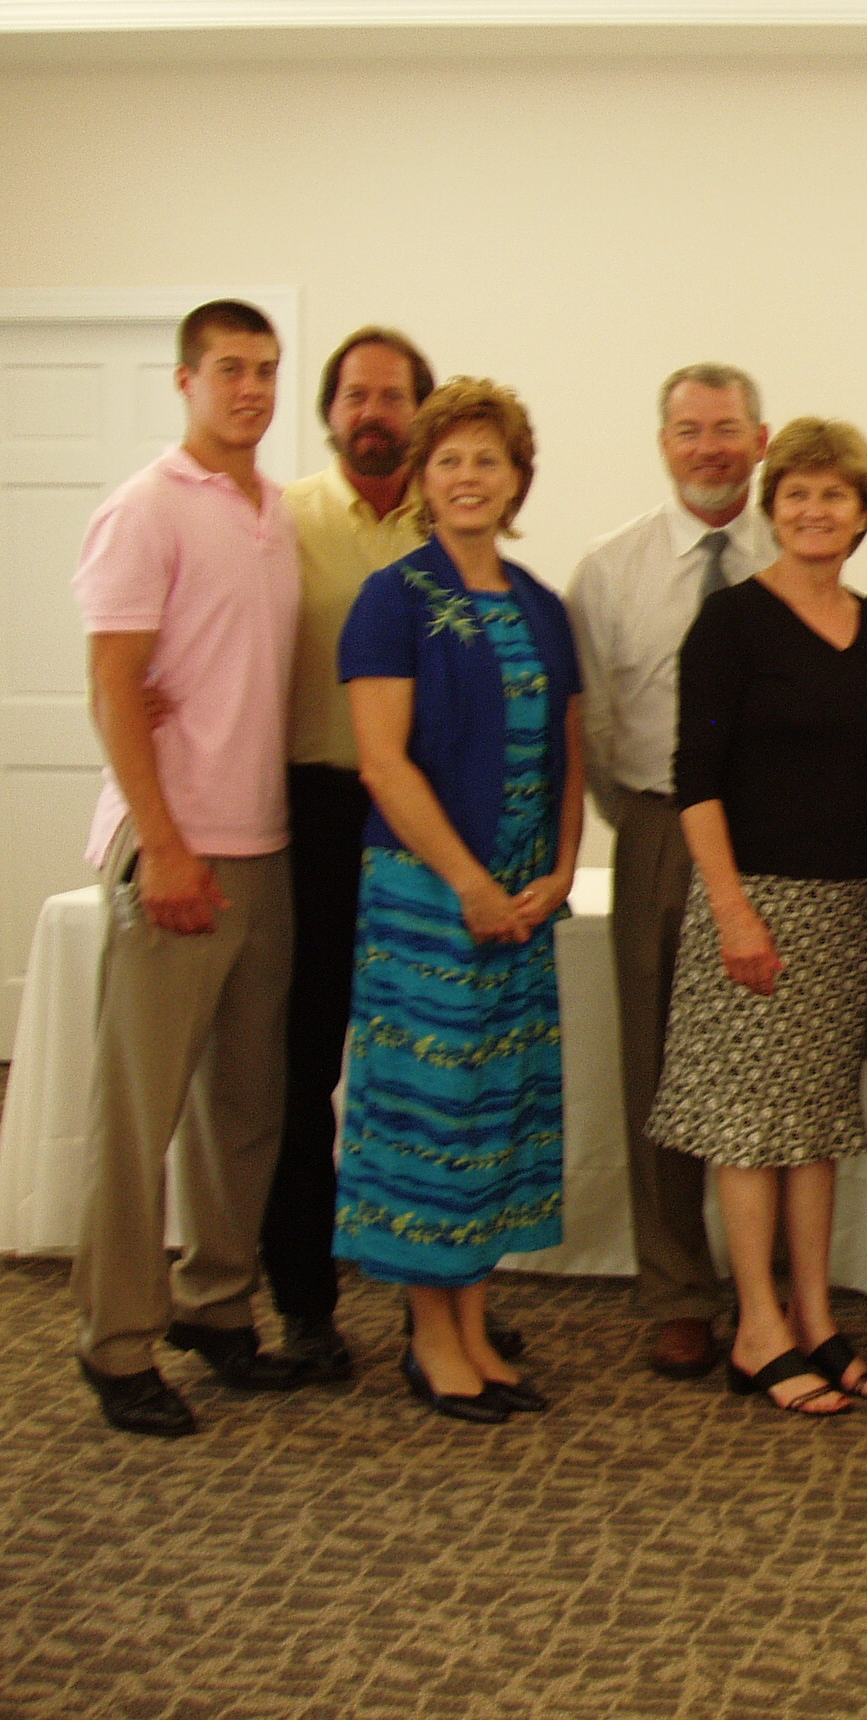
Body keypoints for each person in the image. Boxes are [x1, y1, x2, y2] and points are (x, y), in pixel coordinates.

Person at [68, 299, 306, 1438]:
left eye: (265, 369)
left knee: (245, 1112)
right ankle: (115, 1344)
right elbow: (113, 682)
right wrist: (162, 845)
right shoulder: (145, 507)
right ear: (185, 381)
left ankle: (216, 1309)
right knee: (140, 1116)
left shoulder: (277, 514)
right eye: (229, 369)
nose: (251, 388)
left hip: (266, 848)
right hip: (175, 849)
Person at [647, 419, 867, 1418]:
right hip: (752, 902)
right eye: (796, 493)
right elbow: (696, 777)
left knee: (813, 1126)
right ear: (773, 506)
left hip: (844, 909)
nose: (813, 511)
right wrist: (732, 911)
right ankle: (757, 1326)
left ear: (865, 514)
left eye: (834, 495)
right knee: (747, 1125)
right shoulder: (731, 624)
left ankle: (815, 1318)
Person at [337, 379, 584, 1424]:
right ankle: (430, 1340)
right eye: (450, 461)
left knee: (492, 1115)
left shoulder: (539, 602)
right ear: (422, 481)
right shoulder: (393, 598)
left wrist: (561, 869)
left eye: (489, 460)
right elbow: (383, 765)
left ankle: (475, 1326)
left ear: (518, 477)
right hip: (427, 900)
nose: (470, 478)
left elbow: (569, 748)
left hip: (521, 900)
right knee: (426, 1118)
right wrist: (473, 887)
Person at [564, 364, 774, 1381]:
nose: (708, 448)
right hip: (655, 828)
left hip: (775, 840)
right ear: (662, 443)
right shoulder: (609, 571)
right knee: (656, 1067)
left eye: (726, 428)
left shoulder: (802, 548)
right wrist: (645, 824)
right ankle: (680, 1290)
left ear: (761, 439)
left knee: (768, 1066)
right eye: (689, 430)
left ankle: (772, 1286)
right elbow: (595, 729)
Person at [260, 325, 436, 1384]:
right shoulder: (278, 521)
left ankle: (437, 1304)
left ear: (423, 410)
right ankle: (304, 1303)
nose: (374, 413)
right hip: (313, 817)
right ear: (329, 411)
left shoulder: (453, 520)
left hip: (422, 825)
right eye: (356, 395)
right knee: (304, 1068)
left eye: (393, 396)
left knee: (423, 1069)